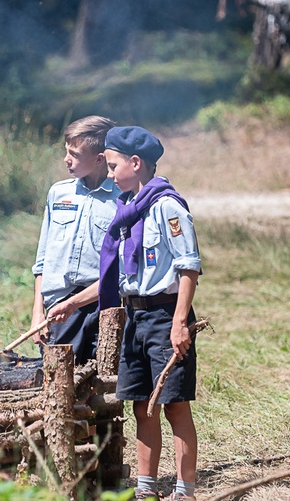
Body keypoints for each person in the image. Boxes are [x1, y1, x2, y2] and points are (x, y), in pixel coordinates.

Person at [99, 126, 201, 501]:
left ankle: (184, 490)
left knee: (173, 404)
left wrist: (179, 323)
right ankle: (145, 489)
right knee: (142, 406)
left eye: (113, 166)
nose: (110, 174)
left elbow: (188, 267)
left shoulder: (168, 207)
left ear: (135, 162)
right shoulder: (128, 211)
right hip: (136, 319)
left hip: (164, 316)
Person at [30, 115, 120, 364]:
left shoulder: (123, 199)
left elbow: (122, 269)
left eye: (75, 154)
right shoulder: (59, 193)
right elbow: (43, 261)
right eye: (66, 151)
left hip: (104, 306)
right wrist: (38, 312)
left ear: (99, 159)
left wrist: (77, 302)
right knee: (59, 385)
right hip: (59, 310)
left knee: (102, 381)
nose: (66, 159)